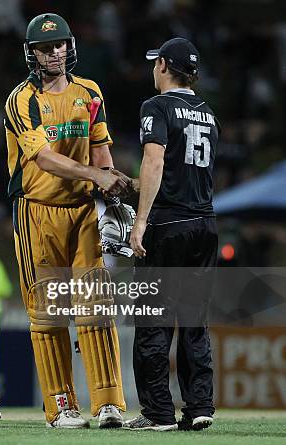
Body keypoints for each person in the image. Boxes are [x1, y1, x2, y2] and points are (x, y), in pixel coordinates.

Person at [4, 13, 129, 429]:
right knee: (49, 312)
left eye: (59, 44)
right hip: (37, 212)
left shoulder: (89, 90)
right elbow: (42, 158)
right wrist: (96, 176)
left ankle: (109, 403)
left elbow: (100, 149)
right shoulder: (22, 99)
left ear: (69, 46)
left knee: (96, 307)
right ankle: (61, 407)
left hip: (83, 212)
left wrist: (109, 192)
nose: (54, 52)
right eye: (45, 47)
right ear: (32, 54)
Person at [125, 37, 219, 431]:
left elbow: (155, 159)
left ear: (163, 65)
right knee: (195, 323)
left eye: (155, 63)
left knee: (153, 321)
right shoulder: (209, 112)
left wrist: (140, 220)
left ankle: (157, 412)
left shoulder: (157, 106)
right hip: (205, 224)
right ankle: (200, 407)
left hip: (167, 225)